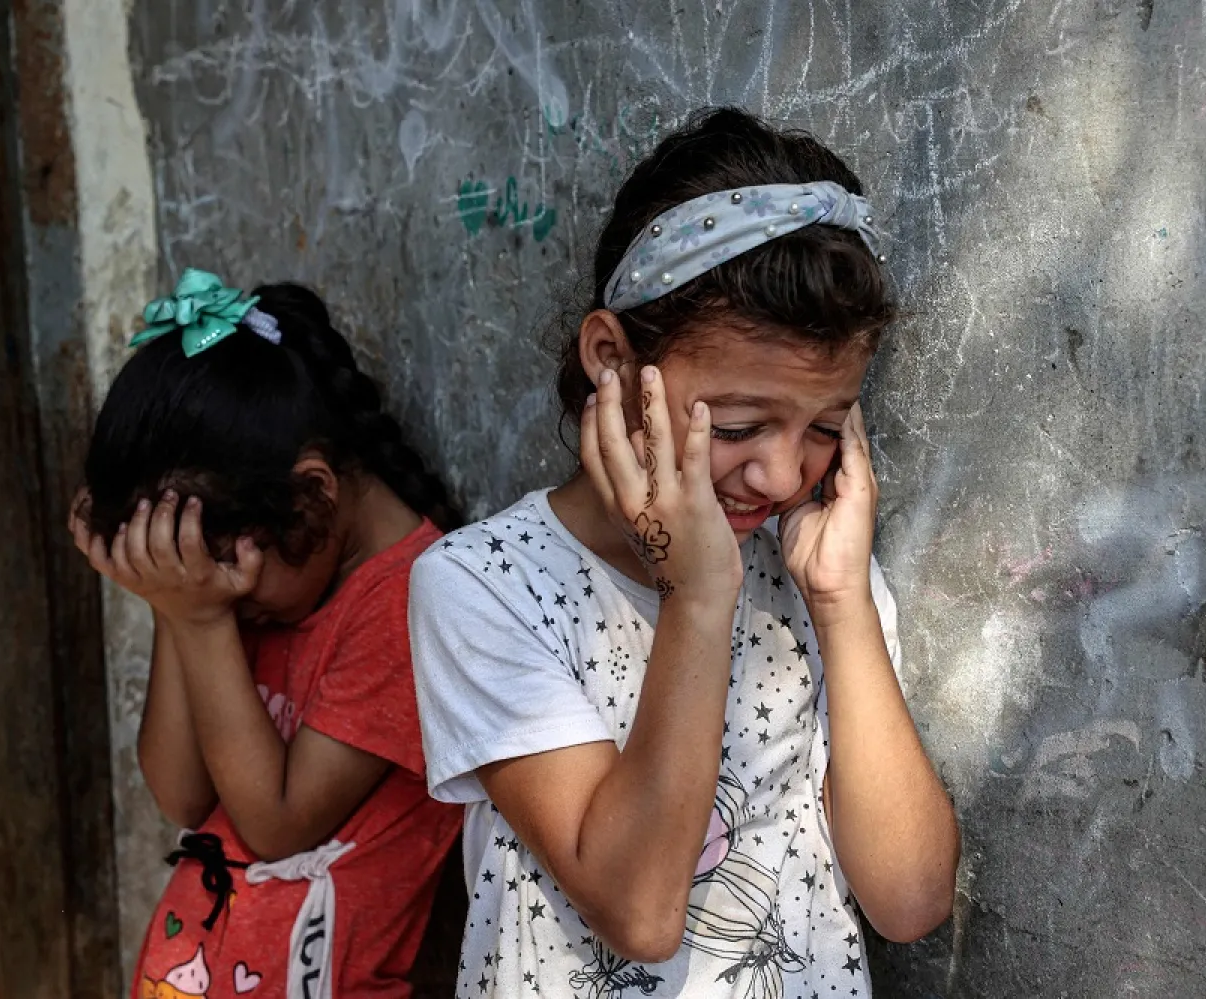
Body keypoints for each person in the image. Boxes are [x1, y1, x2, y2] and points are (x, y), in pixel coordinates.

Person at [408, 107, 959, 999]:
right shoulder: (487, 586)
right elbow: (639, 909)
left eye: (825, 426)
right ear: (611, 359)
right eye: (738, 426)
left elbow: (910, 899)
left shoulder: (820, 574)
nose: (781, 473)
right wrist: (697, 597)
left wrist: (841, 603)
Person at [70, 271, 462, 999]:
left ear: (313, 493)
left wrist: (200, 618)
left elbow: (277, 825)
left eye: (219, 578)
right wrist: (172, 607)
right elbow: (183, 795)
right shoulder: (250, 589)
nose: (228, 605)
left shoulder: (411, 603)